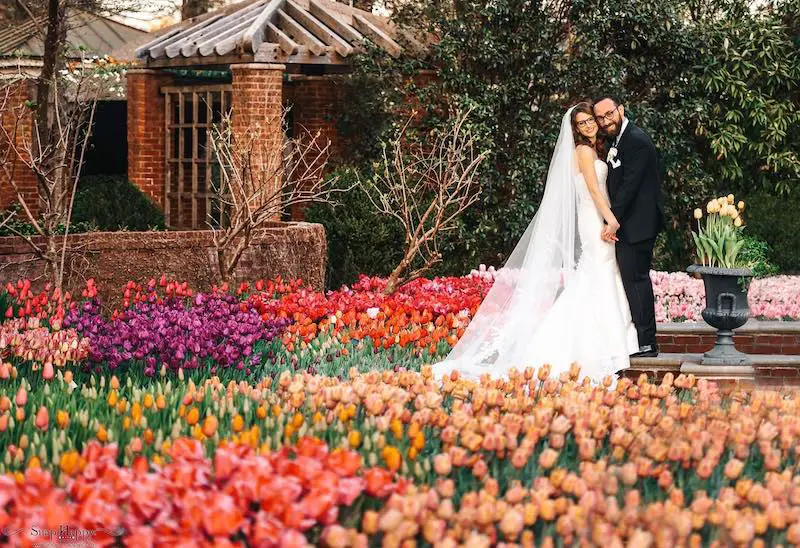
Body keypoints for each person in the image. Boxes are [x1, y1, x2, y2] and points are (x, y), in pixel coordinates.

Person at [431, 102, 640, 383]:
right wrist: (610, 220)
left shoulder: (593, 150)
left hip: (597, 217)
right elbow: (592, 189)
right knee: (599, 275)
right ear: (576, 130)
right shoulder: (583, 151)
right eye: (583, 123)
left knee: (600, 275)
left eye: (591, 120)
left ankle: (611, 344)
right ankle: (605, 346)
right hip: (595, 220)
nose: (590, 125)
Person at [594, 95, 665, 357]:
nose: (605, 121)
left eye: (608, 114)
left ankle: (648, 342)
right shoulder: (618, 139)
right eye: (600, 117)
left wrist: (612, 220)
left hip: (637, 225)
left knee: (636, 281)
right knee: (632, 280)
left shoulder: (637, 140)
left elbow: (629, 188)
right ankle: (641, 339)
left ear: (620, 110)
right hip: (629, 224)